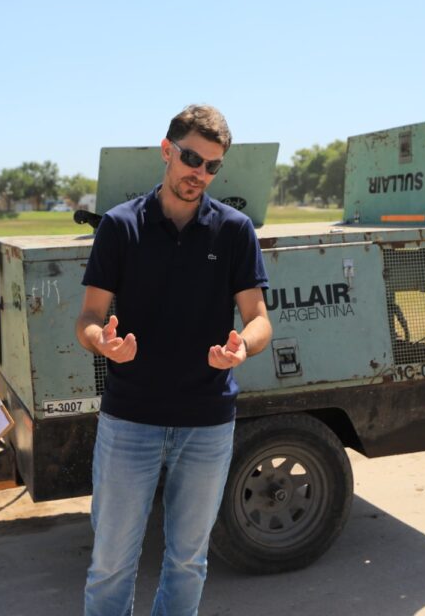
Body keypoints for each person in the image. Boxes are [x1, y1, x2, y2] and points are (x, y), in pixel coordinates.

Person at [76, 104, 272, 615]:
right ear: (167, 151)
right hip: (129, 419)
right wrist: (104, 342)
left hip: (207, 423)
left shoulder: (234, 231)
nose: (199, 173)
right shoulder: (120, 226)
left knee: (188, 562)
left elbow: (259, 318)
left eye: (212, 166)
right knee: (111, 563)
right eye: (191, 158)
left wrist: (242, 347)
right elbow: (89, 317)